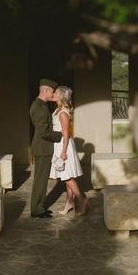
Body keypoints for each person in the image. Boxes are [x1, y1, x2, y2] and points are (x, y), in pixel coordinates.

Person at [49, 86, 89, 216]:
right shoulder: (57, 110)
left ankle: (81, 201)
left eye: (55, 93)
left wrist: (63, 152)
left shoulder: (63, 113)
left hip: (63, 145)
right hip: (59, 144)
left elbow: (66, 134)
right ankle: (69, 202)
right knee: (67, 175)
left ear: (60, 96)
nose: (53, 94)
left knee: (66, 177)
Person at [29, 79, 63, 218]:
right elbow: (43, 132)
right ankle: (37, 209)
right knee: (40, 180)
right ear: (46, 90)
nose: (53, 94)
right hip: (42, 148)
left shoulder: (40, 105)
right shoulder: (39, 107)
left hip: (43, 148)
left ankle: (39, 206)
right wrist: (61, 135)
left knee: (41, 180)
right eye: (52, 92)